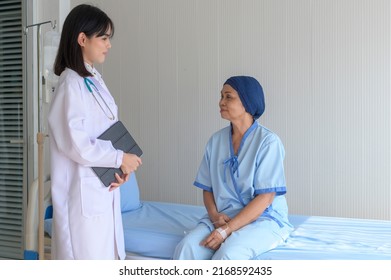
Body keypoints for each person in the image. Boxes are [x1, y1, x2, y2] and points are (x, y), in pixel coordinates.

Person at [47, 4, 142, 260]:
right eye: (103, 37)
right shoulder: (71, 84)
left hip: (101, 190)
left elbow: (104, 131)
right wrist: (119, 158)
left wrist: (116, 171)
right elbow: (77, 144)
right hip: (80, 203)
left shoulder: (92, 79)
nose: (108, 44)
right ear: (82, 39)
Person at [173, 76, 293, 260]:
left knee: (228, 256)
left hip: (262, 219)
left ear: (247, 101)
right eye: (221, 96)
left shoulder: (268, 142)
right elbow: (208, 189)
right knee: (186, 248)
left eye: (228, 97)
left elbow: (266, 197)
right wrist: (214, 217)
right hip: (222, 217)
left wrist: (227, 230)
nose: (221, 102)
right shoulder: (215, 141)